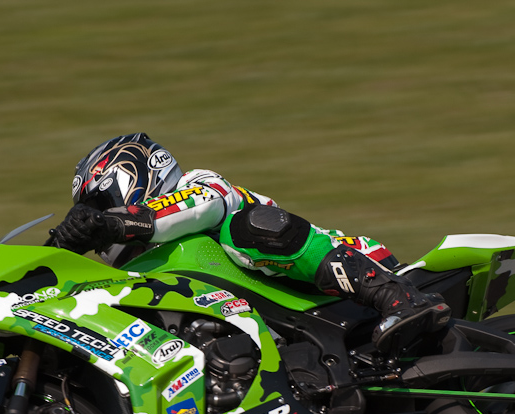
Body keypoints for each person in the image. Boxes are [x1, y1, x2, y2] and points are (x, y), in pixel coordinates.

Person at [50, 133, 451, 353]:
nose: (93, 219)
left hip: (339, 278)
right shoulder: (146, 266)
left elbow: (193, 210)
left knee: (246, 228)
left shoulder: (200, 185)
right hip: (285, 325)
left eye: (98, 203)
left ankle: (399, 298)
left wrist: (108, 222)